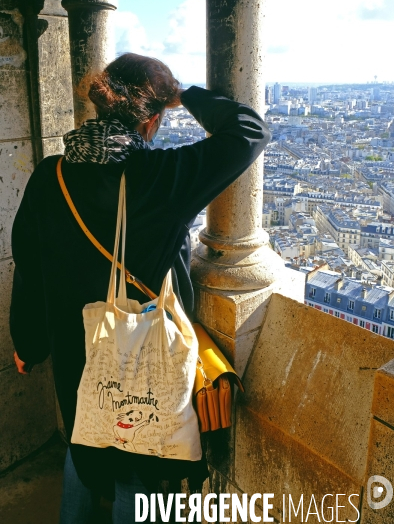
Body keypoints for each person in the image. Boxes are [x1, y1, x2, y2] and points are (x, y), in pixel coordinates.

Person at [10, 53, 271, 523]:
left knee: (82, 440)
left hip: (74, 354)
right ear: (151, 122)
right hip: (140, 357)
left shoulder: (50, 177)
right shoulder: (160, 180)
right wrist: (185, 93)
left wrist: (27, 344)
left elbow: (30, 266)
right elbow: (249, 132)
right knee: (137, 471)